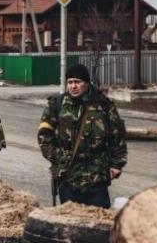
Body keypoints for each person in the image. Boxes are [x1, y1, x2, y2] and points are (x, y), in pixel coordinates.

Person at [37, 64, 127, 209]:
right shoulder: (57, 104)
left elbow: (117, 136)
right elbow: (44, 135)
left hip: (97, 176)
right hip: (68, 176)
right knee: (70, 221)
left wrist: (117, 164)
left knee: (98, 222)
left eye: (77, 82)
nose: (73, 86)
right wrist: (57, 157)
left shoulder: (103, 105)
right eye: (70, 82)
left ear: (87, 83)